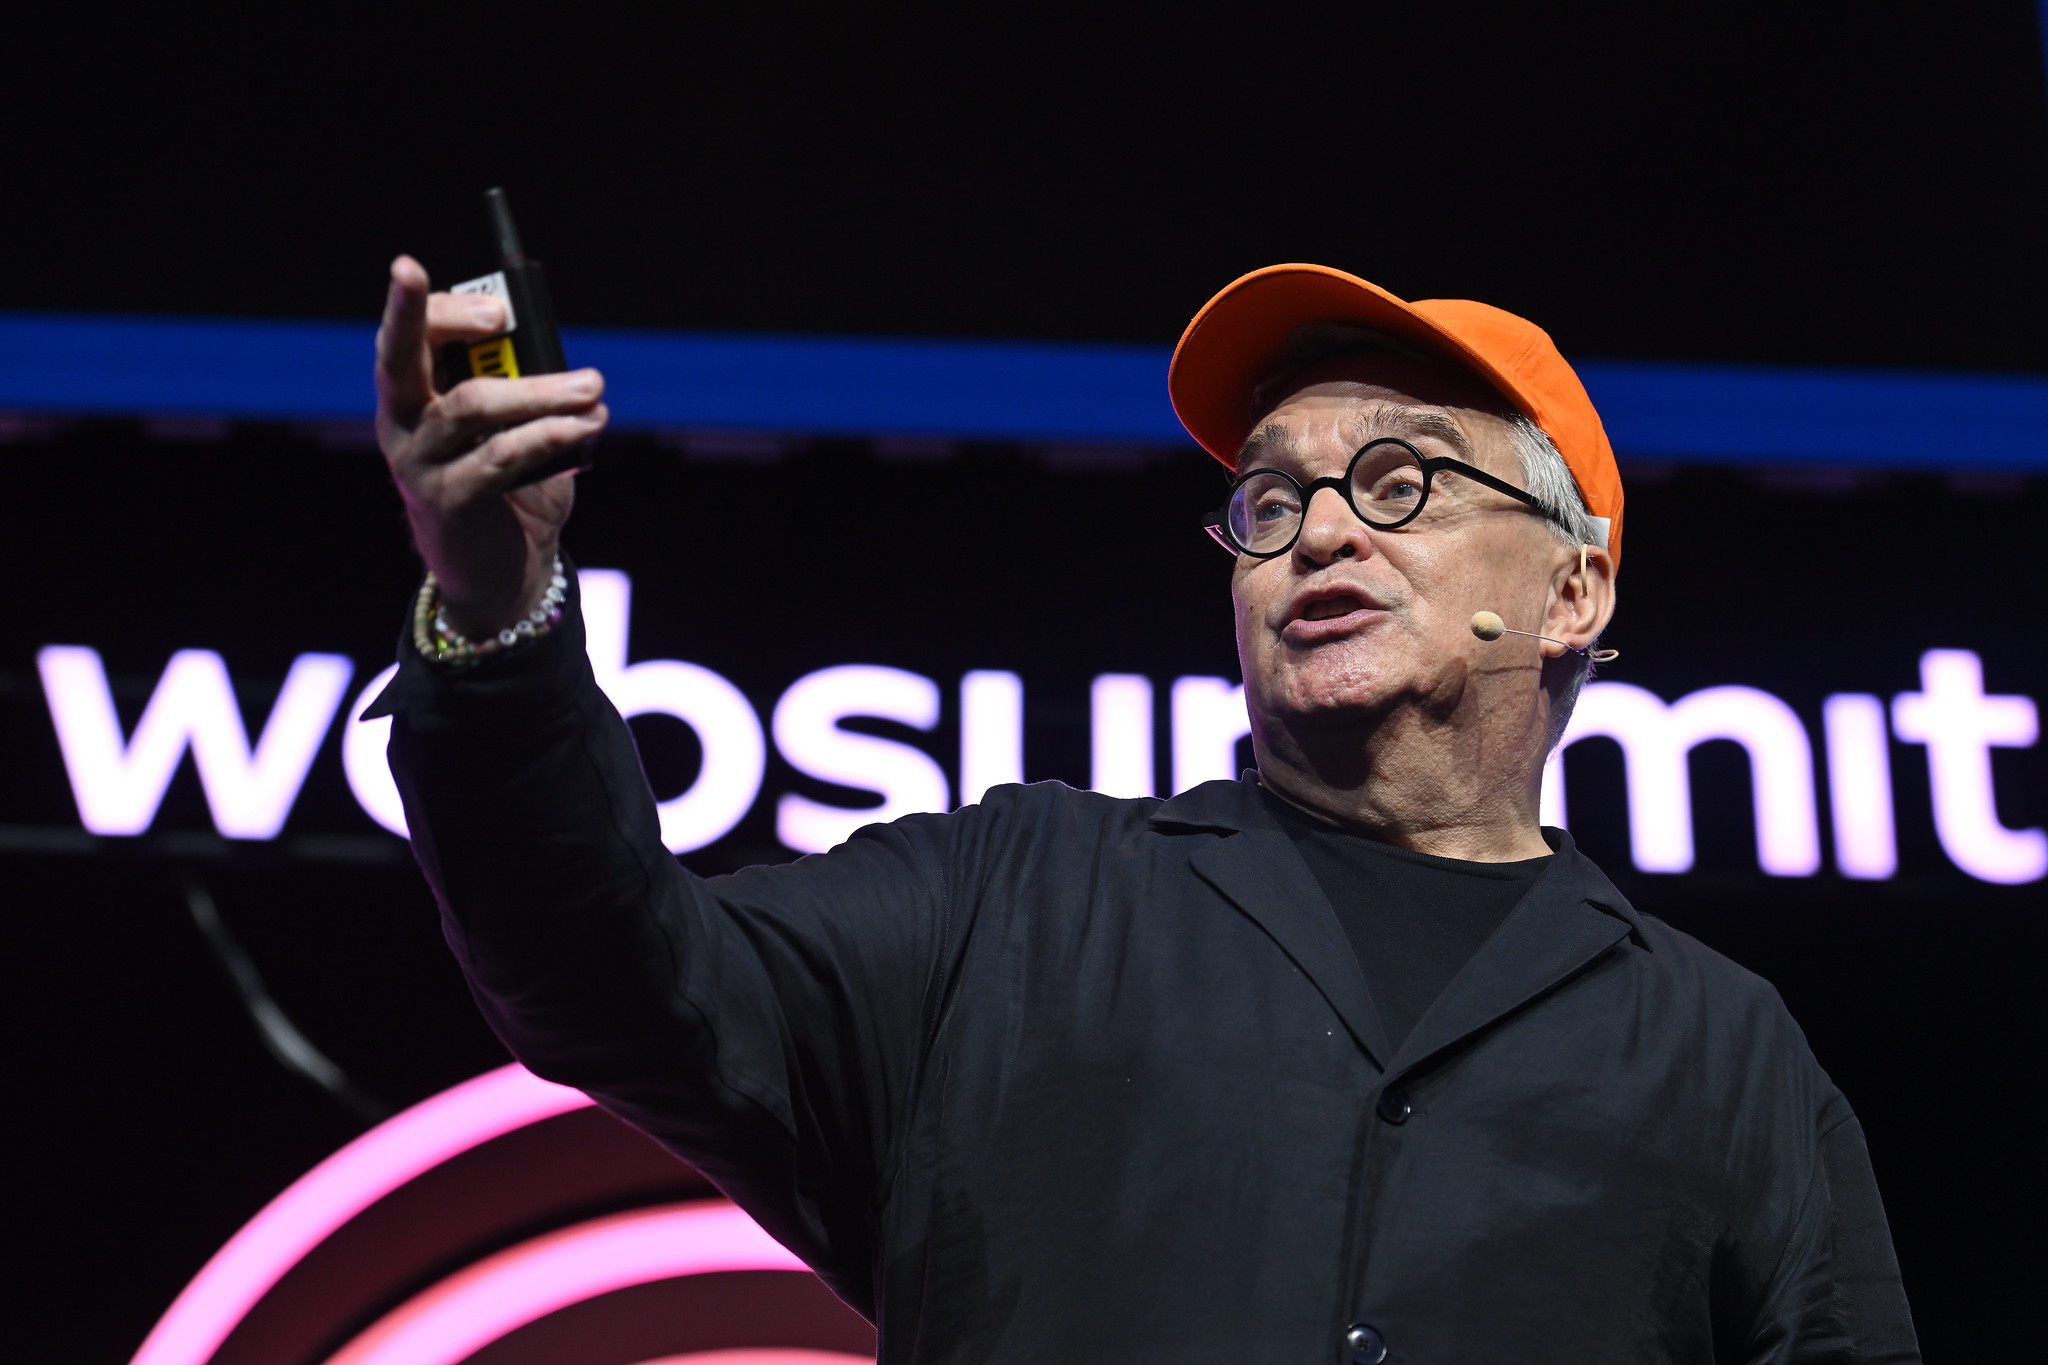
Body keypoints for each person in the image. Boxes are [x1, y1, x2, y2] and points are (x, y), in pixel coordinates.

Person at [369, 257, 1919, 1363]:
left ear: (1573, 586)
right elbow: (609, 970)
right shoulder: (1011, 904)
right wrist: (498, 615)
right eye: (1269, 497)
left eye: (1398, 483)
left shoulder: (1728, 1054)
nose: (1317, 531)